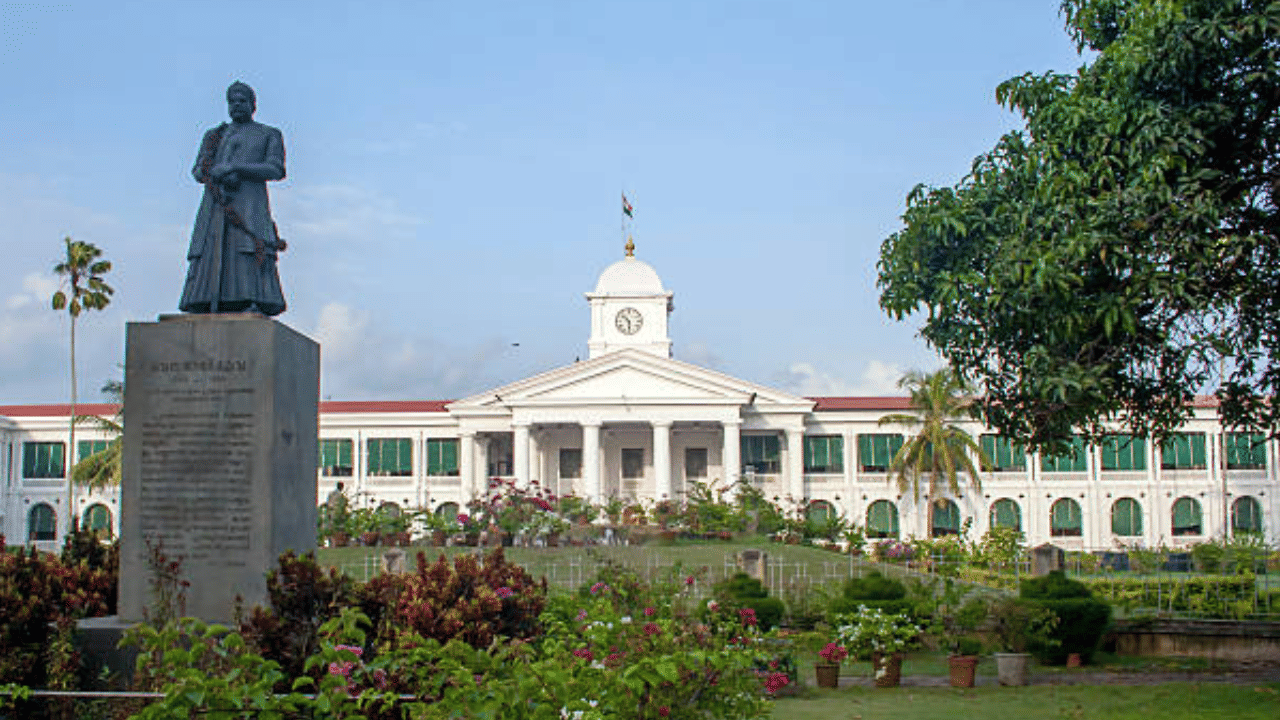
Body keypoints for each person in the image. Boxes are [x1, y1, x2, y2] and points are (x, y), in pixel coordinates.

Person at [179, 81, 287, 315]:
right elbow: (197, 171)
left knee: (246, 247)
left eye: (242, 101)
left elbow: (276, 169)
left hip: (249, 205)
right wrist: (215, 173)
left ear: (253, 105)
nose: (237, 105)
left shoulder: (268, 134)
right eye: (232, 101)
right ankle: (203, 299)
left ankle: (251, 298)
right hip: (215, 205)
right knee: (210, 249)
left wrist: (237, 168)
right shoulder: (214, 135)